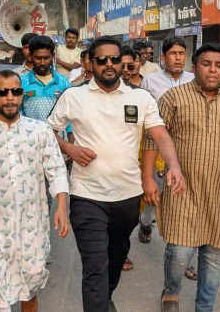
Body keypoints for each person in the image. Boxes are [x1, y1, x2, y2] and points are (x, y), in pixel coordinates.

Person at [47, 36, 186, 312]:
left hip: (128, 197)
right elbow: (47, 131)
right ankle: (100, 302)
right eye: (102, 59)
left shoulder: (140, 97)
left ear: (122, 62)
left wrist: (174, 165)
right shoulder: (73, 96)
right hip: (87, 197)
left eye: (114, 59)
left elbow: (160, 134)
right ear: (91, 63)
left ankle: (105, 296)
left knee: (115, 259)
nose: (108, 64)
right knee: (95, 267)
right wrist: (69, 149)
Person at [146, 43, 220, 312]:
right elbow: (152, 138)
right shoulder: (173, 97)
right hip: (182, 188)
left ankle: (204, 306)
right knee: (179, 252)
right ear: (195, 68)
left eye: (218, 65)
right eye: (206, 64)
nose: (212, 70)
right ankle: (171, 291)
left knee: (213, 255)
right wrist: (148, 178)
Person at [0, 70, 70, 312]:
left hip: (32, 225)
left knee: (30, 286)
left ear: (22, 95)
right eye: (3, 92)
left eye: (16, 91)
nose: (10, 97)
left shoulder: (40, 131)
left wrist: (62, 207)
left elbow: (56, 169)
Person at [138, 37, 194, 244]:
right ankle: (145, 221)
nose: (178, 58)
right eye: (173, 53)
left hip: (187, 145)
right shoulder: (150, 81)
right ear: (163, 57)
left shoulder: (194, 80)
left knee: (185, 192)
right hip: (157, 144)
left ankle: (181, 238)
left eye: (181, 54)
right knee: (156, 191)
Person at [20, 35, 71, 123]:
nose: (42, 63)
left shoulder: (64, 82)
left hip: (57, 132)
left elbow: (69, 114)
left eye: (46, 58)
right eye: (38, 58)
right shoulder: (21, 83)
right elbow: (18, 114)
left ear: (53, 56)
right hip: (30, 132)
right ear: (31, 56)